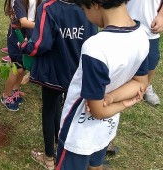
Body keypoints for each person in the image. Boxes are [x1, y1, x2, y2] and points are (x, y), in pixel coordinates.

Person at [56, 0, 149, 169]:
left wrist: (120, 103)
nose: (84, 14)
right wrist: (112, 98)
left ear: (95, 3)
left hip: (78, 133)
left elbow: (98, 111)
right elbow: (140, 83)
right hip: (106, 128)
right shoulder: (142, 35)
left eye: (84, 8)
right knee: (96, 165)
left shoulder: (96, 48)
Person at [21, 0, 97, 169]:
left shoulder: (48, 7)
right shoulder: (88, 7)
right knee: (63, 107)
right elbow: (93, 40)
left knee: (49, 110)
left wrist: (25, 46)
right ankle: (59, 137)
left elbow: (41, 44)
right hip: (77, 74)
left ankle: (49, 158)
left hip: (53, 74)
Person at [0, 0, 42, 111]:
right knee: (17, 68)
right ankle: (6, 96)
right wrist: (43, 25)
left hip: (30, 35)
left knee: (23, 67)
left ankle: (15, 90)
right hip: (18, 37)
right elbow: (22, 22)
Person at [127, 0, 163, 106]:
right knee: (123, 57)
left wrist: (161, 16)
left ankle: (145, 87)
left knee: (151, 60)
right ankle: (122, 86)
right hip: (126, 20)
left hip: (150, 24)